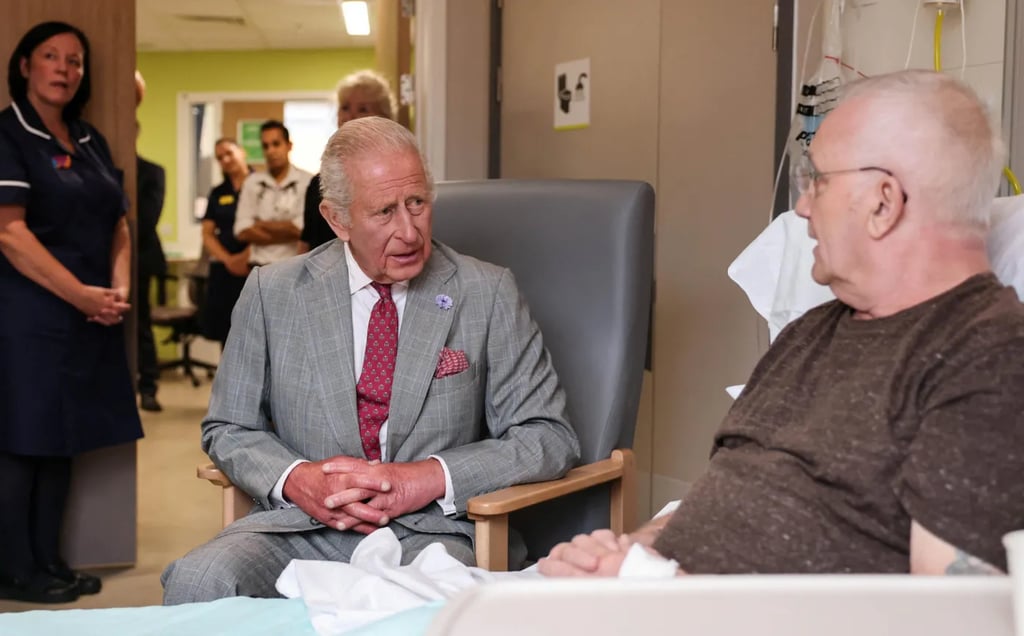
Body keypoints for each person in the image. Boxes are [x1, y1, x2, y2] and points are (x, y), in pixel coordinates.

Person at [539, 70, 1024, 578]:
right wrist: (628, 550)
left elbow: (948, 608)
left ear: (883, 202)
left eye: (818, 181)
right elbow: (725, 496)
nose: (802, 207)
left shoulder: (990, 357)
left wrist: (656, 585)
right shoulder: (810, 333)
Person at [161, 116, 580, 604]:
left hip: (431, 532)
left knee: (411, 609)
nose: (409, 231)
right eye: (384, 212)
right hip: (301, 525)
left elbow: (547, 435)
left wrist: (425, 478)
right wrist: (297, 480)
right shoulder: (271, 292)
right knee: (198, 580)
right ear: (337, 220)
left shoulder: (486, 292)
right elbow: (229, 427)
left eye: (417, 203)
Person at [0, 21, 143, 603]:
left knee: (62, 440)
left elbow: (118, 222)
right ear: (25, 66)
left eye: (75, 60)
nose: (64, 68)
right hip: (29, 316)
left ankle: (50, 561)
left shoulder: (88, 139)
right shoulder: (9, 134)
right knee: (23, 441)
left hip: (88, 314)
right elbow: (9, 233)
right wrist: (81, 294)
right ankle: (15, 570)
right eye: (51, 56)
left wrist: (116, 289)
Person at [298, 70, 397, 254]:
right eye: (345, 108)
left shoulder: (396, 178)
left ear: (384, 117)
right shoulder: (317, 184)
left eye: (363, 109)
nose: (350, 117)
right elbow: (306, 244)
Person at [232, 120, 312, 266]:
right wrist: (287, 229)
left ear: (289, 145)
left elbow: (303, 230)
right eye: (265, 146)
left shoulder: (307, 182)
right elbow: (241, 230)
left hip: (294, 266)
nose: (270, 151)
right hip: (259, 267)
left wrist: (260, 224)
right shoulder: (252, 182)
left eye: (276, 144)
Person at [134, 71, 167, 412]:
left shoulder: (151, 172)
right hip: (99, 262)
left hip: (140, 258)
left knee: (140, 324)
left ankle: (148, 387)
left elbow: (146, 218)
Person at [200, 138, 252, 346]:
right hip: (225, 268)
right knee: (227, 332)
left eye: (229, 153)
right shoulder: (218, 192)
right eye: (220, 157)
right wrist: (229, 260)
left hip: (254, 264)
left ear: (242, 152)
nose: (226, 160)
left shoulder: (261, 185)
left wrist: (245, 257)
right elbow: (207, 234)